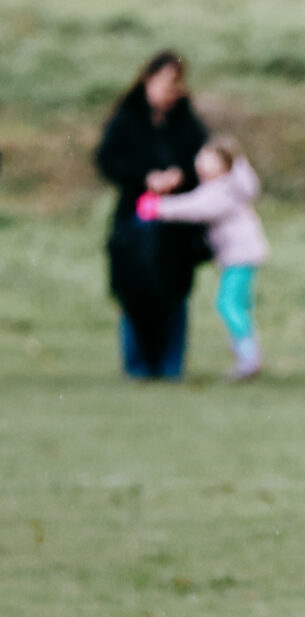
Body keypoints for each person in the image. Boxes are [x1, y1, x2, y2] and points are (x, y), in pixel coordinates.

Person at [94, 50, 211, 380]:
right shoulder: (127, 118)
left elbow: (203, 162)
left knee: (174, 293)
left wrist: (179, 176)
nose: (170, 93)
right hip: (134, 220)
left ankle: (171, 365)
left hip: (175, 224)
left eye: (176, 87)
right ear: (148, 80)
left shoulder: (188, 124)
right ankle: (138, 366)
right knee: (134, 289)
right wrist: (145, 177)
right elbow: (107, 160)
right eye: (165, 84)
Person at [140, 136, 270, 380]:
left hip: (239, 256)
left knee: (228, 304)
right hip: (240, 255)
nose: (200, 165)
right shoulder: (226, 186)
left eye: (208, 161)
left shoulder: (224, 189)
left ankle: (248, 357)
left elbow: (197, 207)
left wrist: (159, 208)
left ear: (223, 165)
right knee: (239, 305)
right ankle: (245, 354)